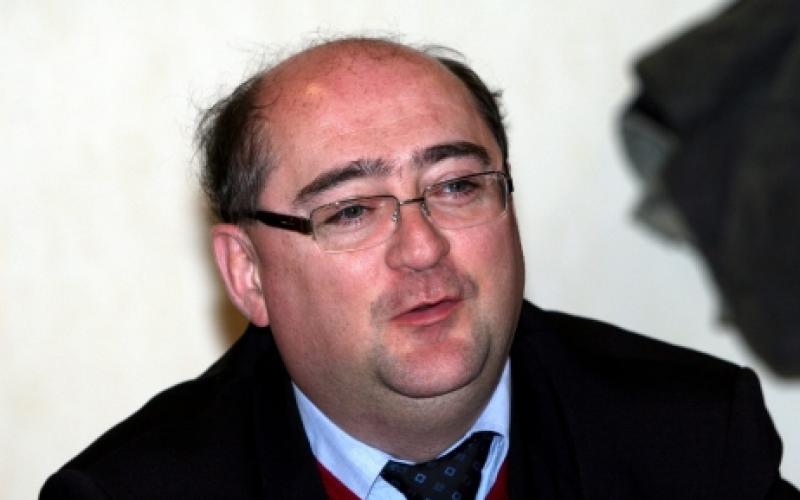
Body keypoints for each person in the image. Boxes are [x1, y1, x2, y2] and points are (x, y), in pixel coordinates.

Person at [41, 37, 798, 500]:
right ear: (248, 274)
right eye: (350, 211)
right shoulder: (130, 492)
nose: (423, 247)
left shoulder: (694, 441)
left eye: (457, 187)